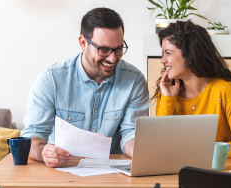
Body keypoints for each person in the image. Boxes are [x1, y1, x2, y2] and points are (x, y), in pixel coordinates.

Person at [21, 8, 149, 167]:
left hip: (112, 173)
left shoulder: (134, 80)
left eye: (118, 49)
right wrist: (44, 152)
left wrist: (140, 150)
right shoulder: (51, 78)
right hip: (61, 171)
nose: (112, 58)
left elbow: (131, 133)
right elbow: (32, 136)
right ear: (83, 43)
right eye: (103, 49)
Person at [152, 20, 231, 158]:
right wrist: (168, 99)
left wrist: (195, 152)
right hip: (178, 171)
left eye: (168, 53)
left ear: (189, 54)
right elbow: (159, 145)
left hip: (219, 173)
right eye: (163, 53)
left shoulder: (226, 90)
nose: (162, 60)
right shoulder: (166, 92)